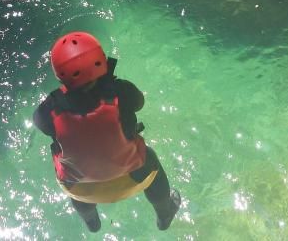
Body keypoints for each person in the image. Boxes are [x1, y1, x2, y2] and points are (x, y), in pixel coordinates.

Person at [33, 31, 181, 233]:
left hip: (80, 188)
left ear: (59, 73)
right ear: (100, 61)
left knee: (69, 169)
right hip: (132, 173)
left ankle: (92, 224)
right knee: (151, 157)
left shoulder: (47, 111)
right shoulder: (121, 92)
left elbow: (47, 129)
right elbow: (139, 103)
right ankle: (165, 214)